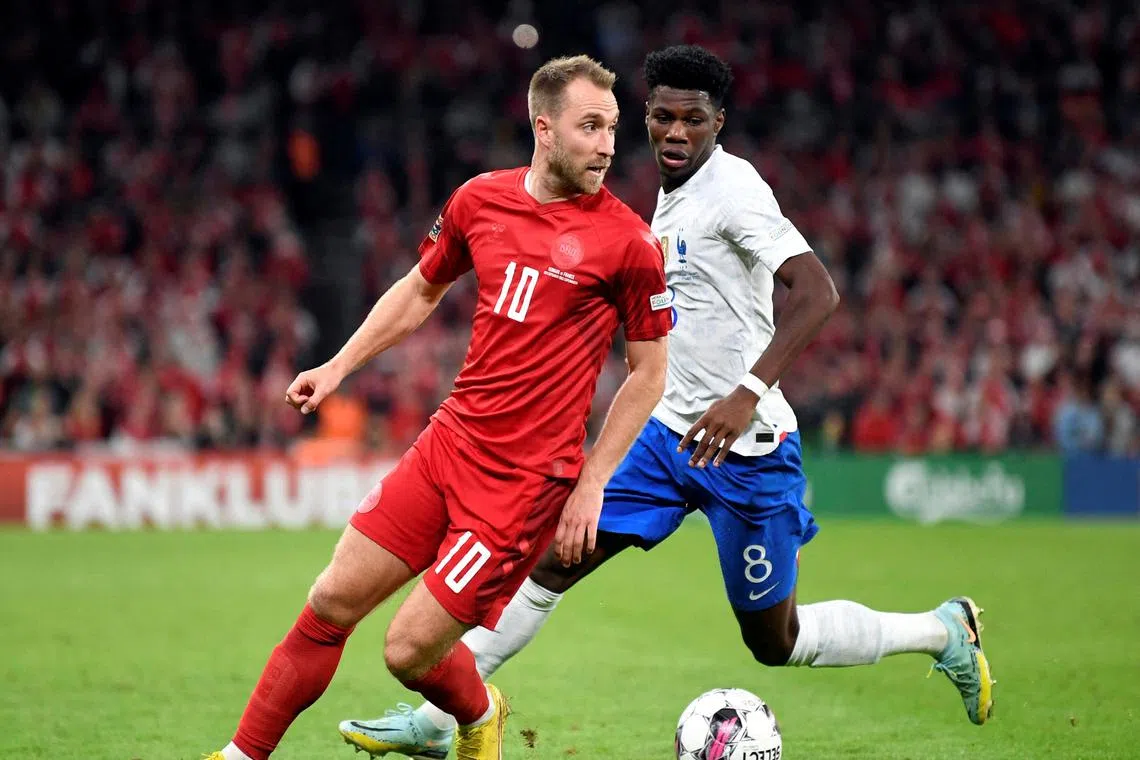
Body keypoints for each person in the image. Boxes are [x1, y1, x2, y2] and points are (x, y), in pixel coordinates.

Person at [341, 44, 995, 759]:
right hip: (666, 437)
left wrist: (746, 394)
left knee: (774, 640)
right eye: (662, 117)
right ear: (646, 117)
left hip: (747, 450)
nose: (675, 133)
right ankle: (442, 721)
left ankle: (941, 631)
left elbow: (817, 292)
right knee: (552, 559)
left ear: (719, 122)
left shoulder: (734, 189)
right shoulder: (669, 193)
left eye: (693, 119)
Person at [204, 54, 672, 760]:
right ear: (544, 128)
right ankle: (240, 756)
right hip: (449, 444)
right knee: (330, 601)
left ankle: (479, 712)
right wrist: (337, 367)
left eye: (611, 127)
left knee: (407, 651)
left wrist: (594, 480)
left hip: (523, 483)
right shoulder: (479, 201)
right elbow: (420, 290)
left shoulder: (629, 243)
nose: (607, 145)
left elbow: (649, 373)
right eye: (589, 127)